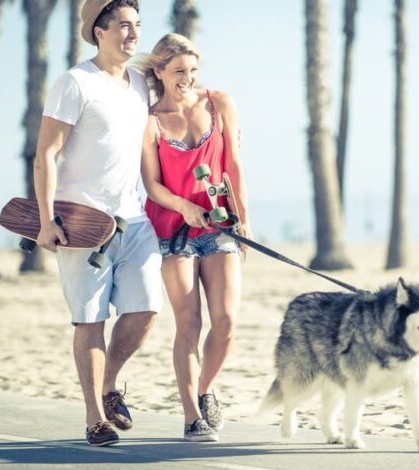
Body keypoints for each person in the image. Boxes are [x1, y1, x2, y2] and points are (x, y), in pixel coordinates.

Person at [33, 0, 162, 447]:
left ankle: (107, 384)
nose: (133, 34)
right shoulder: (74, 82)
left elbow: (184, 95)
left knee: (145, 310)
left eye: (137, 26)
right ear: (99, 31)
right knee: (89, 320)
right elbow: (46, 154)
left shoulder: (141, 85)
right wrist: (47, 218)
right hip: (83, 221)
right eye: (124, 26)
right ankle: (95, 418)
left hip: (135, 218)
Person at [139, 33, 251, 442]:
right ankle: (191, 416)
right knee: (189, 323)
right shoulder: (149, 120)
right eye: (179, 71)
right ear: (160, 72)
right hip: (173, 233)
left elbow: (234, 164)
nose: (188, 78)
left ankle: (205, 390)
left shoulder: (219, 103)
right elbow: (151, 184)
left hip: (219, 225)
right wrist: (184, 207)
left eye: (193, 70)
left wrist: (243, 220)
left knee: (226, 321)